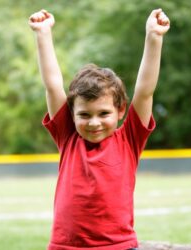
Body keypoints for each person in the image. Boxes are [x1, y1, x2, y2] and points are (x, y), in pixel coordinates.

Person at [29, 8, 170, 250]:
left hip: (118, 246)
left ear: (120, 110)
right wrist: (43, 34)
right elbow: (53, 87)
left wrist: (154, 36)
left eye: (104, 113)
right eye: (84, 115)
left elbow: (145, 90)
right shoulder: (68, 136)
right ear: (71, 115)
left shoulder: (130, 139)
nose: (94, 122)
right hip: (66, 246)